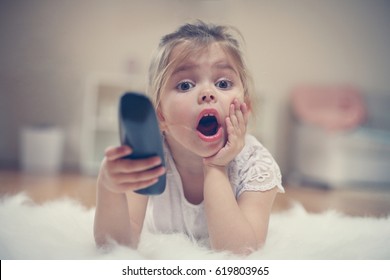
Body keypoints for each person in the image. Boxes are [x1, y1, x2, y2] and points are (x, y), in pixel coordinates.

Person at [94, 21, 284, 255]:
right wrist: (109, 188)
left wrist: (215, 166)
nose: (207, 93)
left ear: (246, 106)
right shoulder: (149, 158)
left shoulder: (256, 165)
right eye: (185, 85)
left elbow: (240, 254)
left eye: (223, 83)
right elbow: (116, 246)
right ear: (160, 115)